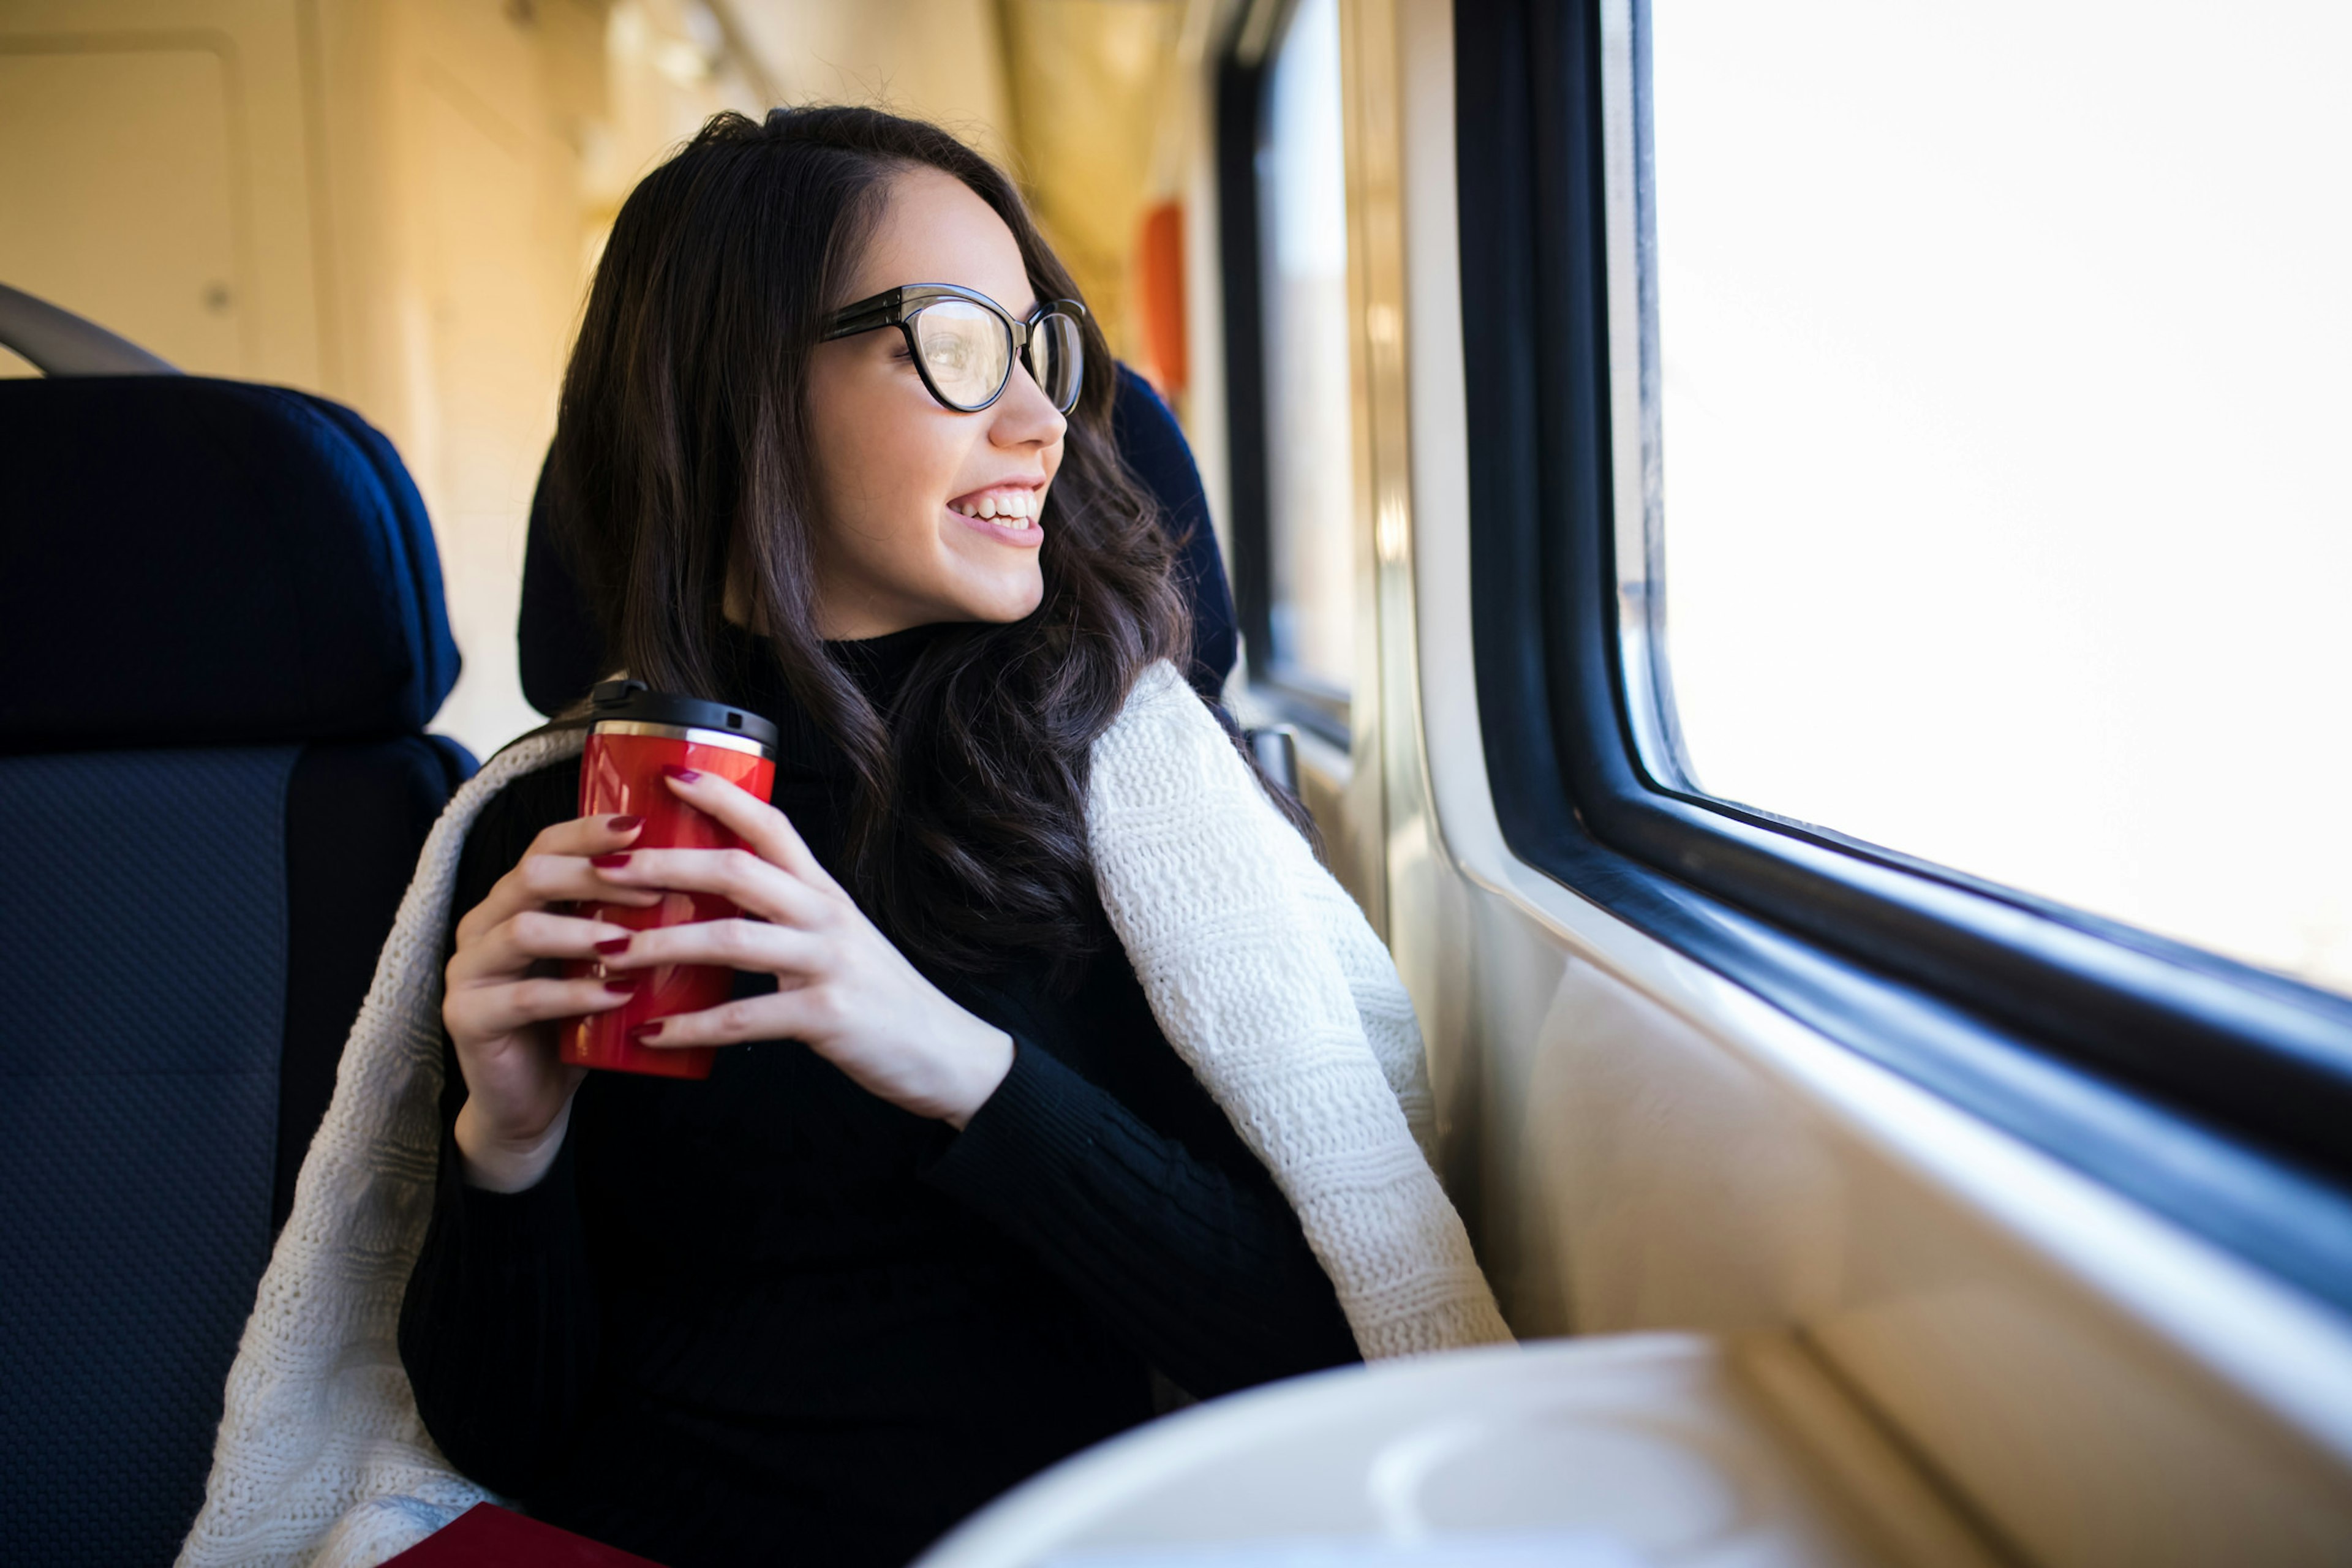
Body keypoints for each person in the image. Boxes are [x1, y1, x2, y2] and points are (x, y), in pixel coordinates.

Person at [391, 107, 1495, 1568]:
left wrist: (948, 1057)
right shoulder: (553, 829)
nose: (1043, 420)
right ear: (737, 389)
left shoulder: (1120, 800)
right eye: (961, 345)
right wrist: (505, 1144)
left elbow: (1333, 1332)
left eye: (1041, 349)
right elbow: (502, 1440)